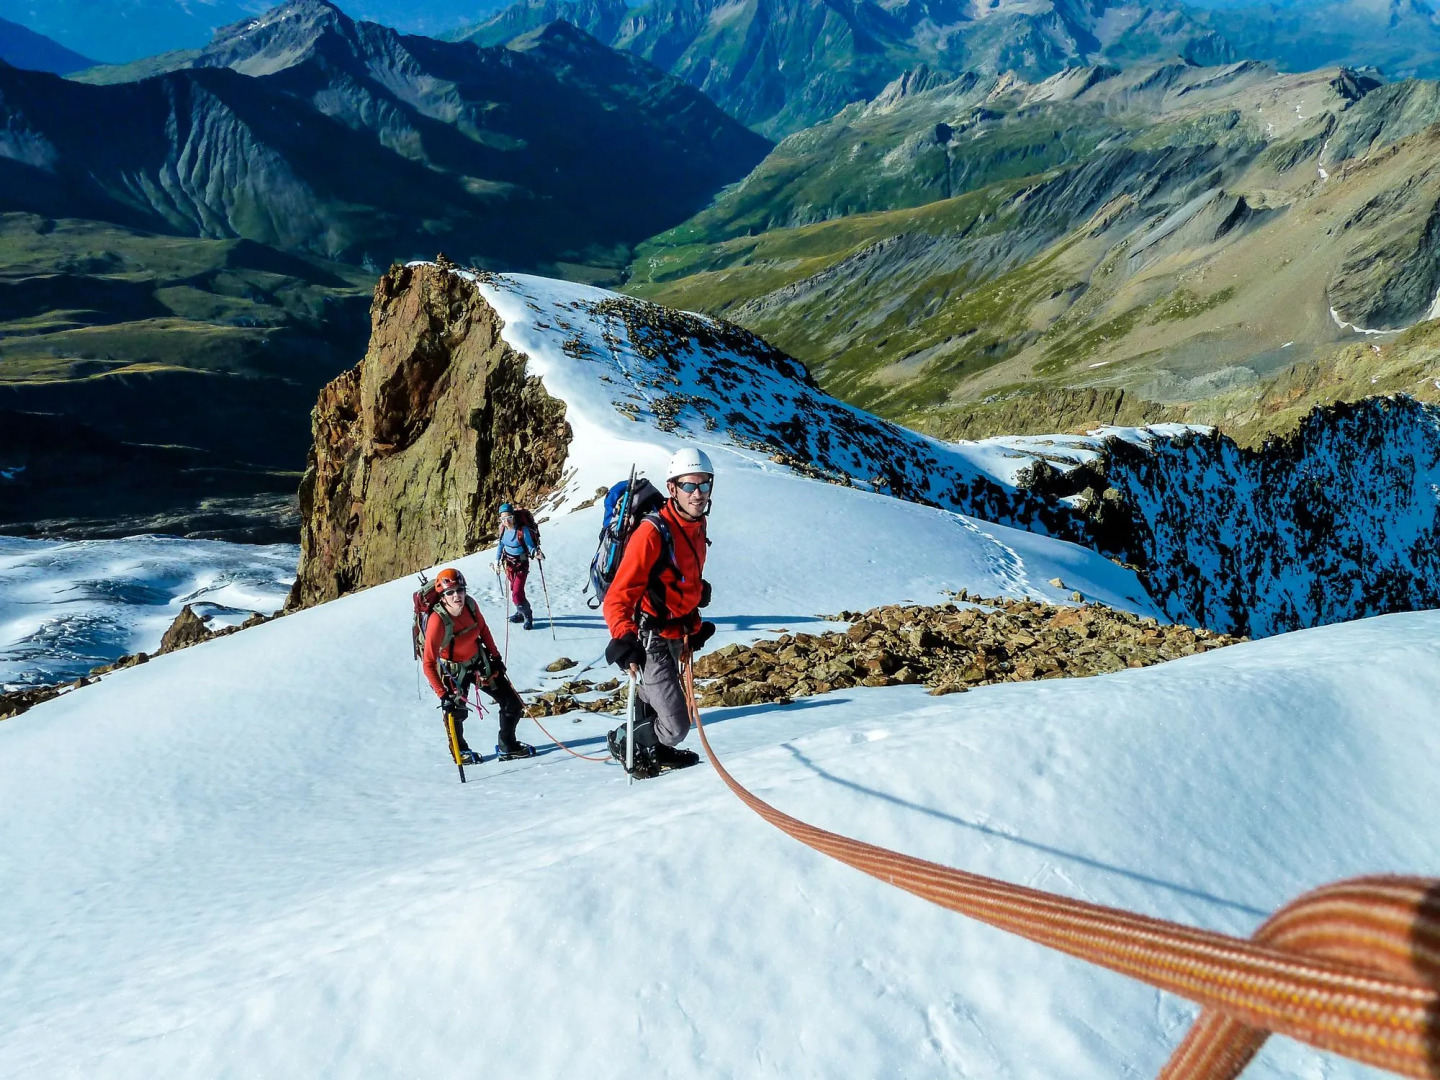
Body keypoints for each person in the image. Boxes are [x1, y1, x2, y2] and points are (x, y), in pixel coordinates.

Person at [602, 447, 718, 779]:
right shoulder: (652, 533)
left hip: (673, 633)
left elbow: (680, 580)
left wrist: (692, 624)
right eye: (689, 486)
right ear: (672, 488)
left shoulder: (697, 525)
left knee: (654, 701)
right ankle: (625, 741)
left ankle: (656, 752)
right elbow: (617, 597)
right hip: (648, 637)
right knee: (677, 724)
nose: (697, 494)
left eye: (704, 485)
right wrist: (625, 640)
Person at [421, 567, 533, 764]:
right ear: (443, 596)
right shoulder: (437, 621)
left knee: (512, 703)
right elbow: (428, 663)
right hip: (454, 671)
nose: (457, 596)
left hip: (479, 663)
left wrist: (496, 657)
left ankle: (508, 746)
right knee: (455, 712)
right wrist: (442, 695)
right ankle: (460, 751)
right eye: (450, 592)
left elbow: (483, 630)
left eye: (460, 590)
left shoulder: (471, 605)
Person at [494, 502, 541, 631]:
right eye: (503, 519)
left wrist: (536, 553)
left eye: (509, 518)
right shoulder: (503, 529)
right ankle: (520, 613)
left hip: (521, 565)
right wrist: (497, 560)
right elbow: (501, 545)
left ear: (513, 517)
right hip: (508, 565)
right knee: (515, 590)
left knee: (516, 593)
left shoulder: (522, 530)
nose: (506, 521)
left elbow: (530, 546)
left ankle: (527, 615)